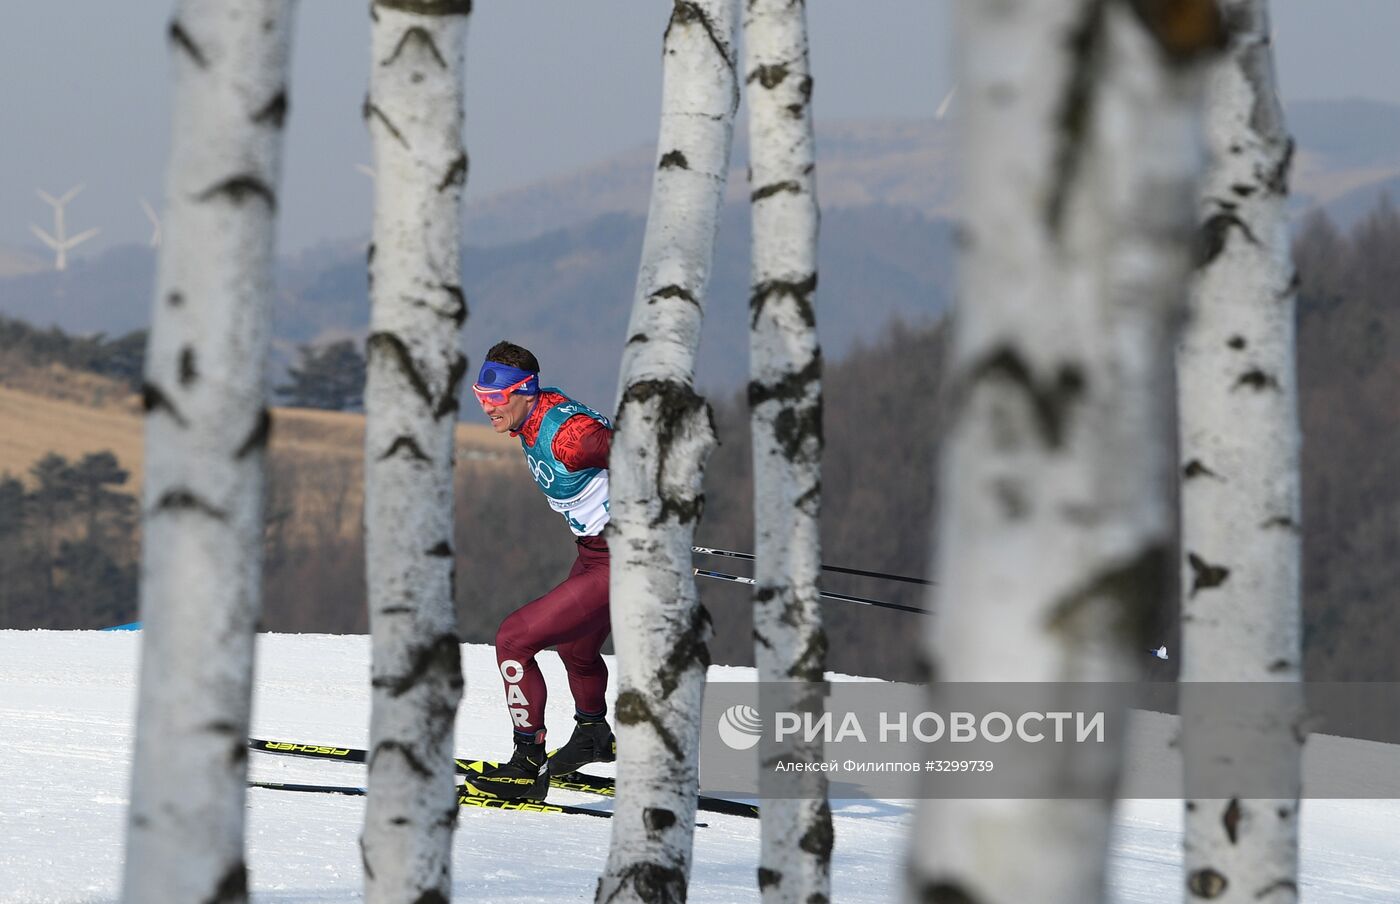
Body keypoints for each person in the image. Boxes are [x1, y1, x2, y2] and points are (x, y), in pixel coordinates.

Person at [467, 340, 616, 801]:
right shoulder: (531, 417)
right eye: (480, 397)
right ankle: (592, 734)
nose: (487, 408)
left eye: (496, 398)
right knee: (577, 648)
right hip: (595, 553)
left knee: (514, 639)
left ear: (526, 391)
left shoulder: (570, 436)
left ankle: (527, 763)